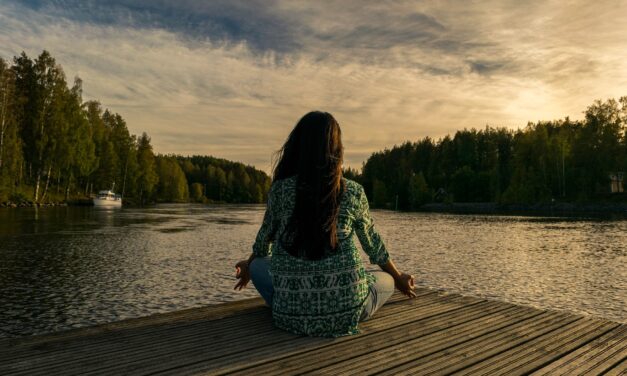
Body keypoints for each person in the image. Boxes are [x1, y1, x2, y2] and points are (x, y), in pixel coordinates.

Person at [233, 111, 416, 337]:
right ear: (336, 149)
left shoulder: (280, 190)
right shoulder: (353, 191)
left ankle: (293, 303)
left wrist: (249, 266)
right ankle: (354, 294)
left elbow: (263, 242)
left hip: (289, 316)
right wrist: (399, 279)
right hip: (348, 312)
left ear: (298, 147)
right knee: (385, 279)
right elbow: (374, 247)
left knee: (259, 265)